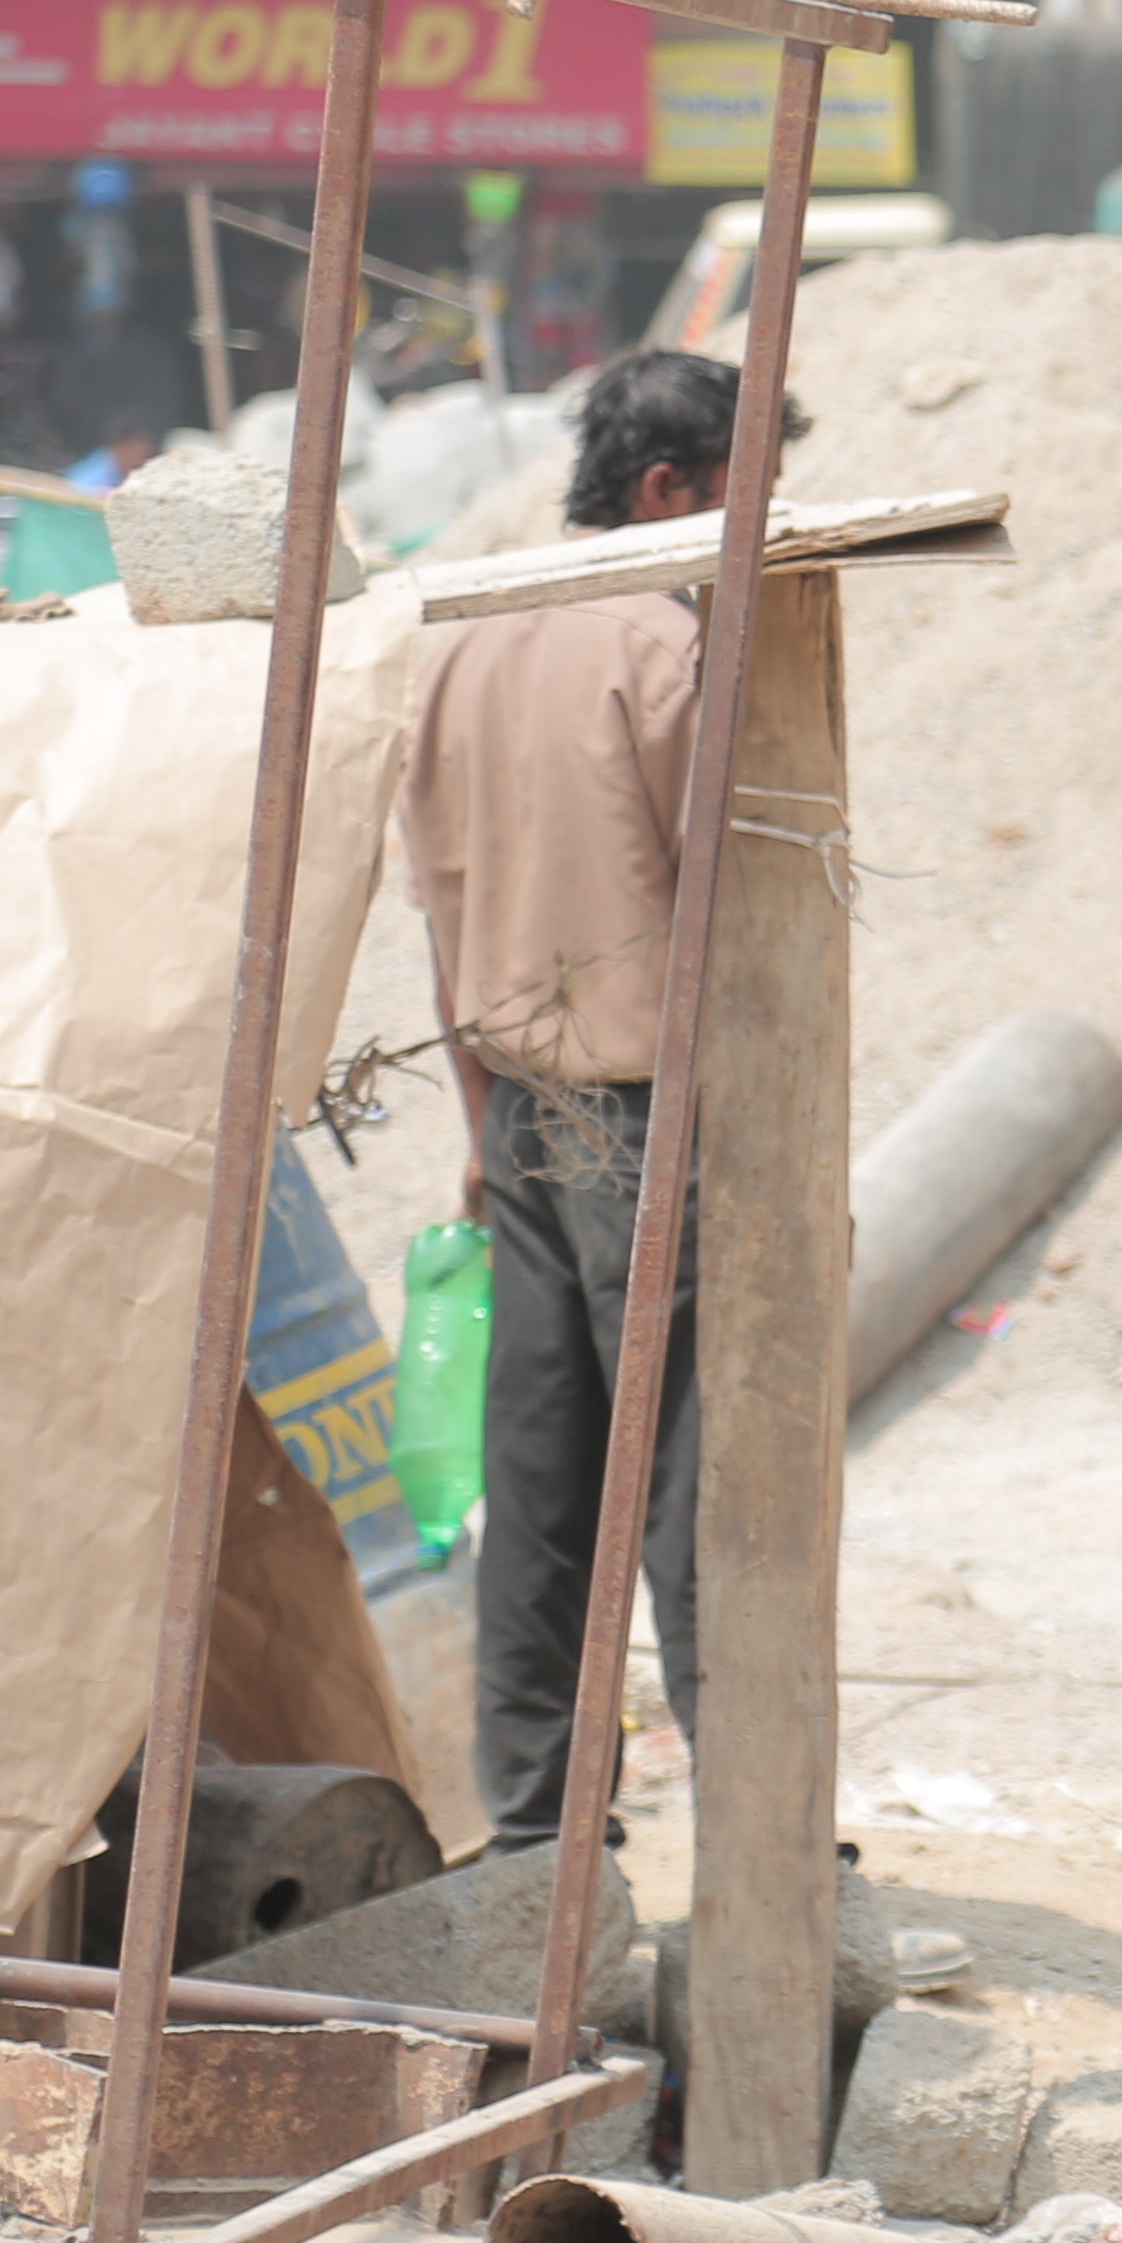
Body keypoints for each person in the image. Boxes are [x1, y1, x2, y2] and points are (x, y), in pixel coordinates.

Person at [401, 343, 804, 1844]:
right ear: (667, 490)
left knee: (545, 1493)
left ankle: (533, 1829)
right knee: (705, 1481)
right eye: (742, 499)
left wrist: (479, 1128)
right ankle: (758, 1826)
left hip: (518, 1117)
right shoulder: (664, 647)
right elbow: (740, 906)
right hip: (643, 1122)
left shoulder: (473, 640)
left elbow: (442, 918)